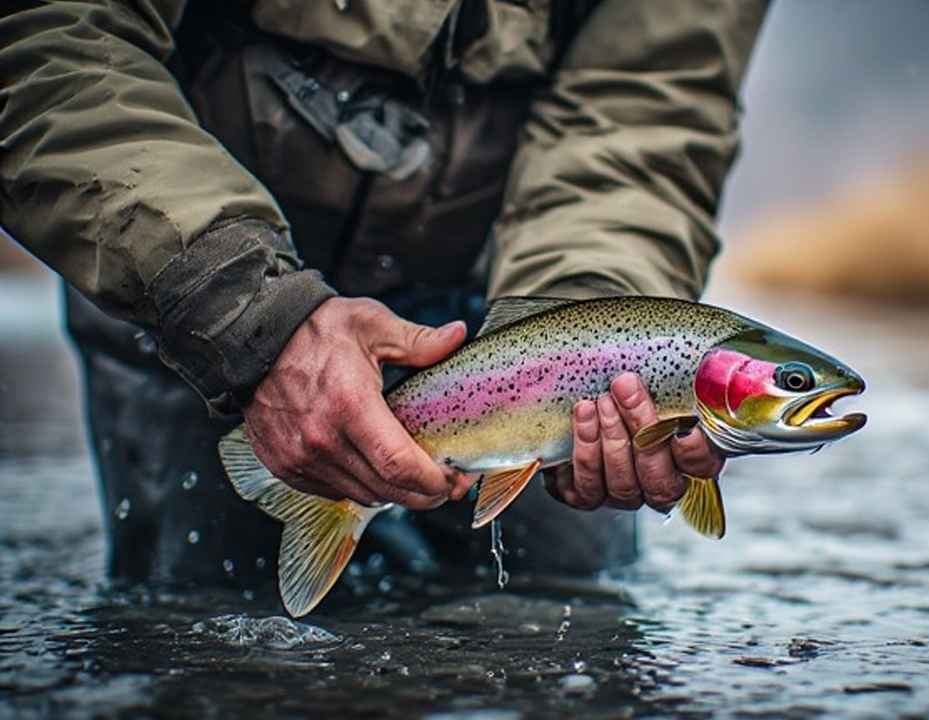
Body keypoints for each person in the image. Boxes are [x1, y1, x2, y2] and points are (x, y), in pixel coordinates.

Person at [0, 1, 766, 598]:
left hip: (497, 312)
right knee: (201, 639)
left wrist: (583, 333)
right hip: (181, 269)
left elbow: (645, 119)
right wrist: (253, 316)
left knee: (565, 625)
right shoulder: (212, 288)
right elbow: (43, 42)